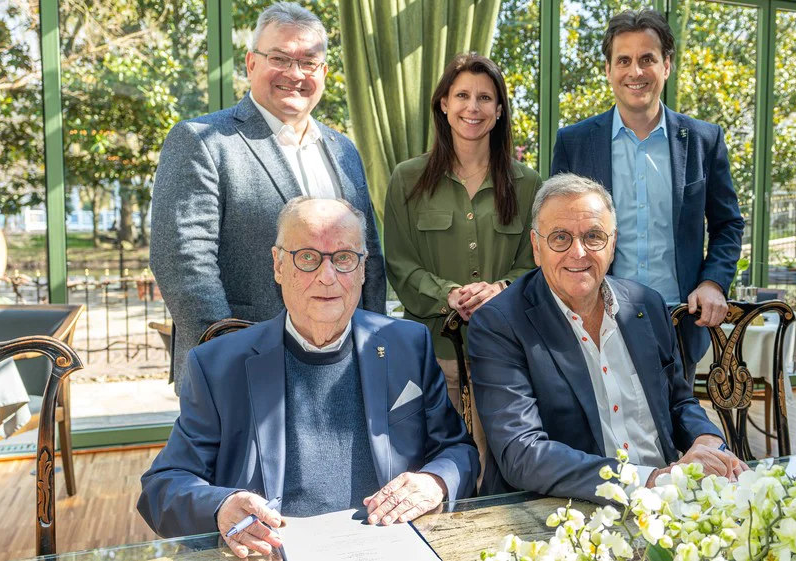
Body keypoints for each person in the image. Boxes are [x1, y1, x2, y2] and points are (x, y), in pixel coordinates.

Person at [138, 198, 478, 557]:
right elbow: (163, 487)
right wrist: (221, 506)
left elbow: (458, 451)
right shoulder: (219, 365)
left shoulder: (408, 345)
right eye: (307, 257)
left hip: (387, 546)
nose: (327, 277)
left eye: (343, 258)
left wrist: (435, 481)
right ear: (278, 265)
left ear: (363, 269)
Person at [150, 2, 386, 395]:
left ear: (323, 72)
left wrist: (373, 347)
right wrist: (228, 353)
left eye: (308, 62)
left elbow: (369, 257)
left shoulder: (344, 150)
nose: (295, 74)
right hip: (241, 372)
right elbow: (183, 261)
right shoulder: (202, 141)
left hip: (343, 368)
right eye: (280, 58)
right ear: (251, 63)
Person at [468, 174, 742, 503]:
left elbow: (678, 402)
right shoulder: (500, 323)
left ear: (612, 245)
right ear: (536, 247)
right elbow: (522, 453)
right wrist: (648, 480)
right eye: (560, 238)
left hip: (668, 497)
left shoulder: (646, 304)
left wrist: (706, 438)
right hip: (562, 507)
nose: (578, 252)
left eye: (593, 236)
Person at [550, 8, 745, 379]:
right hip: (594, 321)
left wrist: (712, 282)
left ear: (666, 66)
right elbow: (556, 232)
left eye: (647, 59)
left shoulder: (703, 141)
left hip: (679, 324)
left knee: (676, 417)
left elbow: (728, 224)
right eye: (623, 60)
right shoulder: (574, 143)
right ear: (608, 69)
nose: (635, 72)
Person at [384, 53, 541, 469]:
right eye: (462, 96)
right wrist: (448, 295)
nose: (473, 107)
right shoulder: (407, 179)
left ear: (499, 109)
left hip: (506, 357)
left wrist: (500, 290)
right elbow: (399, 263)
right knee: (438, 469)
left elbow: (536, 264)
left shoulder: (528, 184)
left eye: (485, 98)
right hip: (434, 357)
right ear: (443, 103)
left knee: (503, 468)